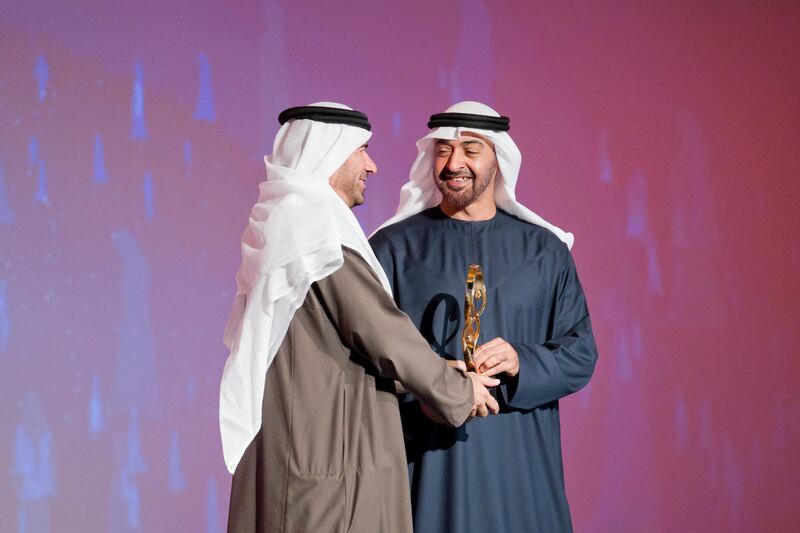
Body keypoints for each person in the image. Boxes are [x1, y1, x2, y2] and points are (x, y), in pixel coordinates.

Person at [219, 102, 499, 533]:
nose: (372, 165)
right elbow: (382, 334)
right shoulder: (317, 234)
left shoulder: (285, 221)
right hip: (328, 459)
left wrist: (438, 370)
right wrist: (459, 392)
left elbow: (328, 345)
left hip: (299, 448)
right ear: (329, 153)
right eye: (361, 150)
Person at [369, 101, 599, 533]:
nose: (454, 163)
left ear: (499, 159)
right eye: (442, 151)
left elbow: (580, 353)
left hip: (521, 464)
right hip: (429, 464)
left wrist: (522, 362)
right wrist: (428, 389)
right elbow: (366, 358)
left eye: (470, 150)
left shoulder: (544, 252)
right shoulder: (393, 248)